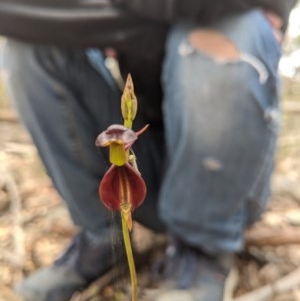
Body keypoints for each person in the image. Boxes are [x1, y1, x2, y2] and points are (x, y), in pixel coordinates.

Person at [0, 1, 297, 300]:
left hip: (222, 178)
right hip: (150, 164)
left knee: (234, 26)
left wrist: (120, 17)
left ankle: (203, 247)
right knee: (29, 48)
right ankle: (103, 235)